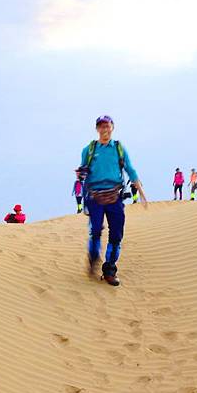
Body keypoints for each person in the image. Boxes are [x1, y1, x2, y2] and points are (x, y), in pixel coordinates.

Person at [77, 115, 147, 287]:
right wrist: (80, 174)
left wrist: (141, 191)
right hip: (94, 197)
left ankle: (109, 269)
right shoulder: (89, 149)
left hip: (115, 197)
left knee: (116, 234)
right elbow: (82, 171)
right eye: (101, 126)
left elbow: (130, 169)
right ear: (97, 129)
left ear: (112, 127)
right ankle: (93, 258)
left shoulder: (119, 148)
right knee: (96, 231)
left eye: (107, 126)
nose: (104, 129)